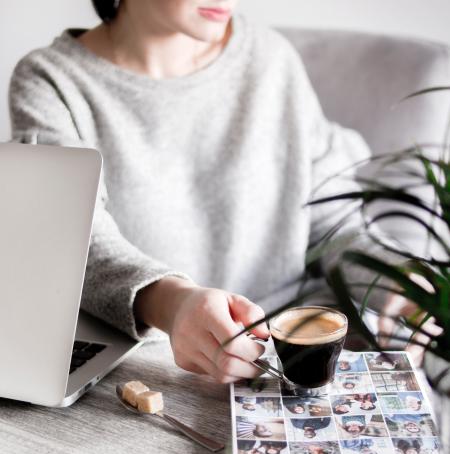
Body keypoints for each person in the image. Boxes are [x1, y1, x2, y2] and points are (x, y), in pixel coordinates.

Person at [9, 0, 421, 384]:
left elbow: (334, 224)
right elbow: (79, 246)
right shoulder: (51, 81)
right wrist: (174, 305)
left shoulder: (270, 58)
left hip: (295, 353)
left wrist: (399, 283)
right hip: (155, 364)